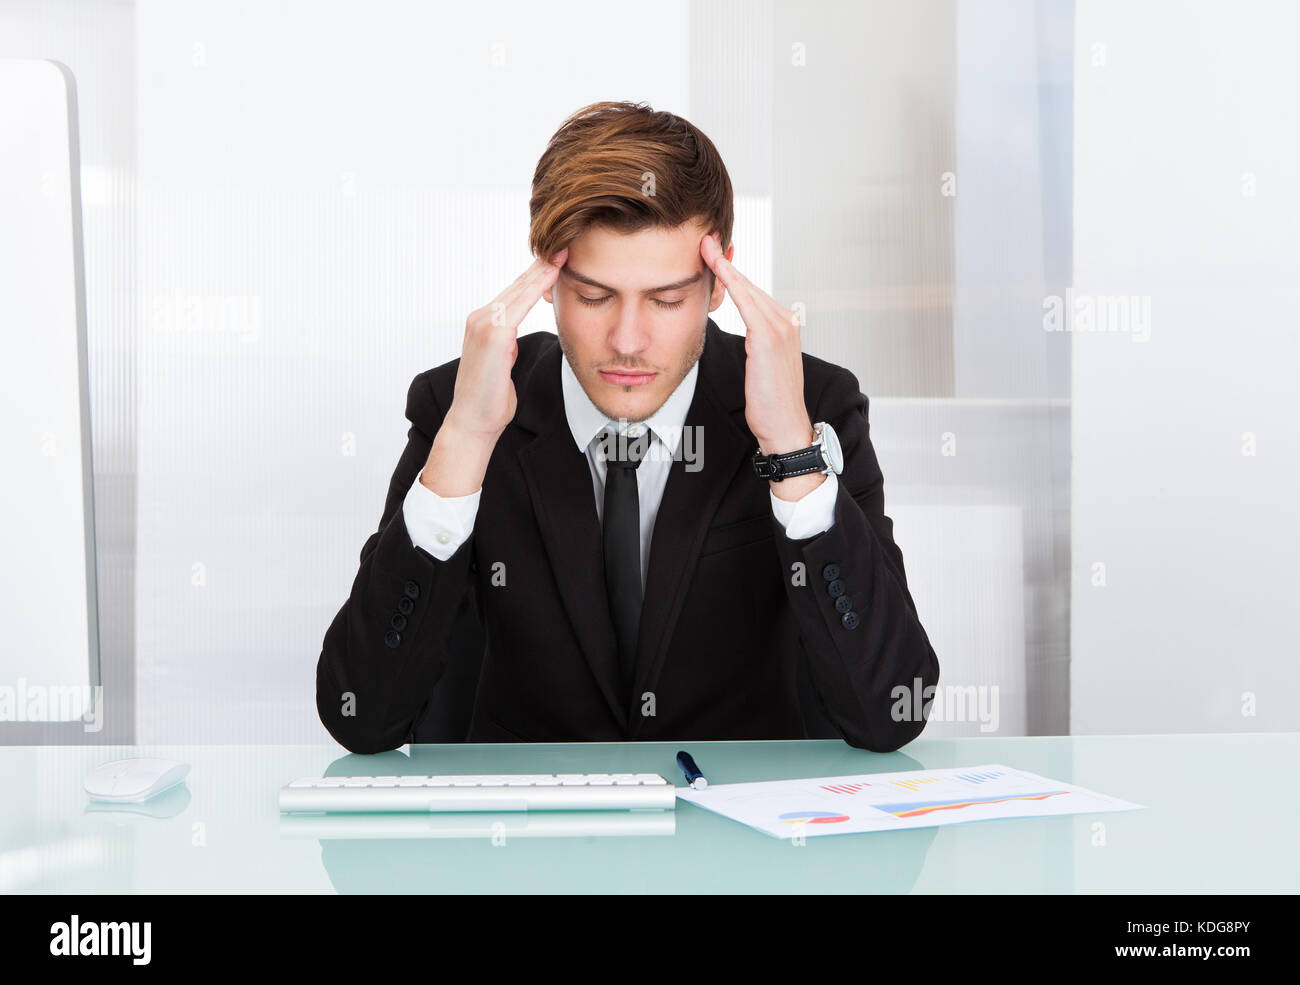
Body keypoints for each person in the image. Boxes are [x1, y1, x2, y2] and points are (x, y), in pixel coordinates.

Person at [316, 100, 939, 754]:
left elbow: (890, 713)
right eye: (594, 296)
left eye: (667, 300)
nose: (629, 340)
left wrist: (789, 451)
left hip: (740, 841)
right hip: (527, 838)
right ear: (546, 278)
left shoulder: (816, 404)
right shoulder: (461, 401)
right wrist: (465, 444)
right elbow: (361, 716)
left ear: (719, 281)